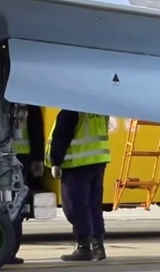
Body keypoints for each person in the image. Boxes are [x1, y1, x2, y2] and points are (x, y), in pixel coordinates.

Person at [0, 93, 45, 266]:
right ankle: (9, 251)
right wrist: (38, 159)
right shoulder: (25, 92)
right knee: (14, 206)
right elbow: (36, 126)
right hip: (19, 157)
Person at [46, 110, 111, 262]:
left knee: (76, 208)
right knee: (94, 206)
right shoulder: (98, 109)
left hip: (77, 164)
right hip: (98, 161)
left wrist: (56, 162)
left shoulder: (70, 110)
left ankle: (84, 248)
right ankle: (98, 247)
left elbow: (62, 136)